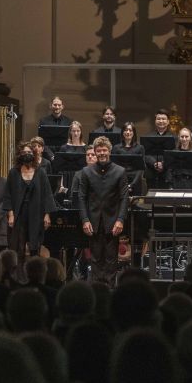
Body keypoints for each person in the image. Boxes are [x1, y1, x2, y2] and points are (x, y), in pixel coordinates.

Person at [78, 136, 129, 286]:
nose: (101, 153)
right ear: (94, 151)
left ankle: (109, 290)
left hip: (113, 221)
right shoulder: (86, 172)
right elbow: (81, 197)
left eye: (104, 150)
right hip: (93, 222)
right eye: (98, 150)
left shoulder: (120, 171)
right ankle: (96, 290)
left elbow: (124, 198)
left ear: (109, 151)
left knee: (111, 259)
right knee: (95, 258)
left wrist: (120, 220)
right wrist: (85, 220)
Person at [3, 141, 56, 275]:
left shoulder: (41, 172)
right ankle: (18, 277)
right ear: (19, 154)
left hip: (36, 214)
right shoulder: (13, 172)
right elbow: (7, 195)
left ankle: (35, 277)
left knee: (35, 247)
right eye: (24, 152)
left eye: (29, 152)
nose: (27, 154)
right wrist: (10, 214)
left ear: (34, 154)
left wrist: (47, 214)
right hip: (18, 214)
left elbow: (47, 194)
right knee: (18, 248)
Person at [112, 121, 145, 196]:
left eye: (130, 130)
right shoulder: (116, 148)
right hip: (120, 180)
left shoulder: (140, 148)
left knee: (135, 205)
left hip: (135, 181)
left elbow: (141, 169)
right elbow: (114, 167)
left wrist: (132, 184)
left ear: (134, 133)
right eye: (126, 130)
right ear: (122, 132)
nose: (128, 132)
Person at [144, 109, 174, 189]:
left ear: (168, 121)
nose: (161, 121)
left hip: (167, 173)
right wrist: (154, 163)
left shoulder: (174, 137)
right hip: (151, 172)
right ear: (155, 121)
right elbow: (145, 154)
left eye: (163, 119)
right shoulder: (147, 137)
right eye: (158, 119)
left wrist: (163, 164)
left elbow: (174, 154)